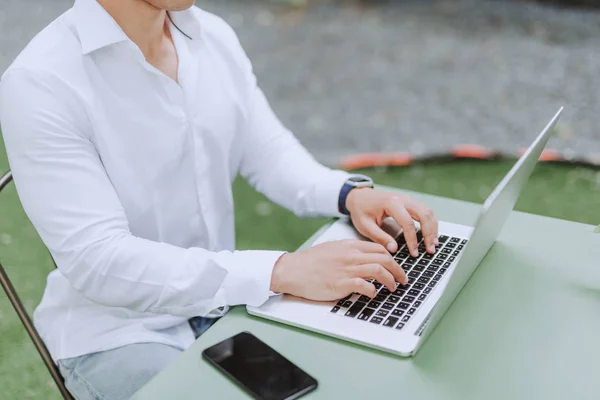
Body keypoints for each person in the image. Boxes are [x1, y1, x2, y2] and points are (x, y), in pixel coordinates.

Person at [0, 0, 439, 398]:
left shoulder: (212, 36)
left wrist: (348, 195)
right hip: (118, 334)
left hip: (227, 305)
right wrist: (280, 270)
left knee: (359, 376)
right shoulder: (38, 83)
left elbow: (268, 153)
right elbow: (101, 261)